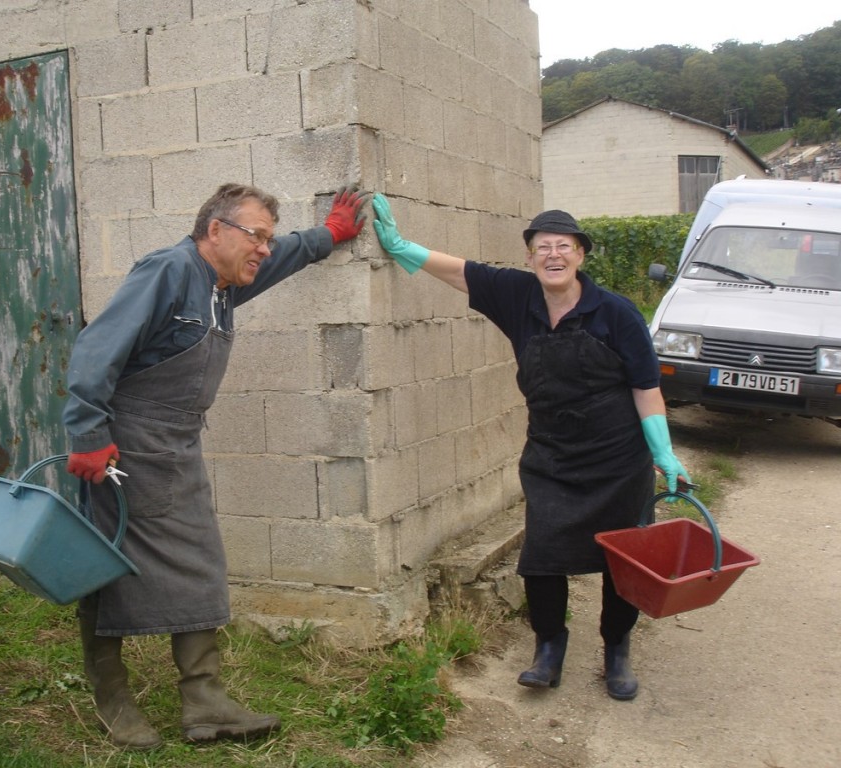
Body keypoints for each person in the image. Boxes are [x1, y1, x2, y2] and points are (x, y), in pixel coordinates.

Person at [63, 182, 369, 748]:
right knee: (105, 566)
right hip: (123, 452)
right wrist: (87, 432)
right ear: (214, 231)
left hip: (175, 450)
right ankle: (112, 698)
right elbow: (95, 349)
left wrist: (327, 237)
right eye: (256, 235)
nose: (264, 249)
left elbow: (279, 264)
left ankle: (204, 701)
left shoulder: (222, 286)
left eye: (268, 239)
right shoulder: (170, 271)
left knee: (200, 561)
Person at [371, 194, 689, 701]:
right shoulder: (517, 295)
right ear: (529, 257)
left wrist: (663, 452)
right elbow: (460, 274)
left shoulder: (617, 313)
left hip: (617, 458)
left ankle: (617, 650)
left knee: (622, 559)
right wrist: (400, 246)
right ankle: (548, 648)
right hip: (552, 454)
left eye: (564, 246)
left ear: (581, 255)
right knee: (543, 554)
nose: (554, 255)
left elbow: (646, 389)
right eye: (543, 247)